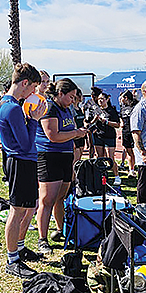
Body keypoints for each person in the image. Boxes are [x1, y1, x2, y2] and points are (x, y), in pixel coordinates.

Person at [0, 62, 46, 279]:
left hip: (24, 161)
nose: (34, 93)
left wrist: (29, 120)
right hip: (19, 162)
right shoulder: (12, 107)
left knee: (28, 208)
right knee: (17, 211)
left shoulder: (10, 105)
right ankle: (12, 259)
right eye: (33, 87)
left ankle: (20, 247)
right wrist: (34, 120)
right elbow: (25, 144)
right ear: (24, 83)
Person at [35, 78, 87, 255]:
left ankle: (60, 230)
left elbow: (66, 135)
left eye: (74, 98)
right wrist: (76, 133)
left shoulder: (67, 109)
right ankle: (42, 239)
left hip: (65, 157)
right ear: (60, 93)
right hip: (49, 157)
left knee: (61, 198)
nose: (72, 101)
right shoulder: (50, 107)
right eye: (70, 97)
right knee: (47, 200)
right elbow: (53, 135)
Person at [90, 91, 121, 185]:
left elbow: (118, 124)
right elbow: (90, 123)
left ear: (107, 99)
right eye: (99, 99)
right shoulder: (96, 110)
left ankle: (116, 176)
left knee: (110, 158)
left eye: (102, 99)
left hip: (109, 136)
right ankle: (102, 177)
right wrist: (94, 120)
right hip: (98, 136)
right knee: (100, 157)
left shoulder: (112, 110)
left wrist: (107, 122)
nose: (100, 101)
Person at [119, 90, 137, 177]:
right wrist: (121, 122)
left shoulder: (135, 106)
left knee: (138, 151)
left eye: (122, 97)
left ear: (126, 98)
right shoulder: (122, 107)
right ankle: (131, 170)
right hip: (125, 132)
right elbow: (121, 117)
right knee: (128, 151)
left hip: (135, 131)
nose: (120, 99)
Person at [83, 86, 102, 158]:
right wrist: (88, 122)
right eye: (93, 96)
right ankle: (91, 159)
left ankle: (100, 160)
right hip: (91, 126)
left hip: (100, 127)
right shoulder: (89, 103)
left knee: (100, 147)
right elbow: (85, 112)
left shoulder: (100, 102)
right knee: (91, 145)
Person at [72, 88, 86, 166]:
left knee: (79, 158)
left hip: (81, 135)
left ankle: (76, 176)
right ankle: (72, 177)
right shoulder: (71, 108)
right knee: (75, 160)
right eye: (81, 95)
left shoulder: (79, 108)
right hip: (76, 135)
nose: (82, 97)